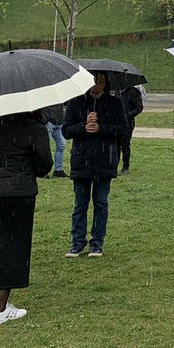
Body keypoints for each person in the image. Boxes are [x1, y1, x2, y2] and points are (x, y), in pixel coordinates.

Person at [0, 112, 52, 325]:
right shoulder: (36, 129)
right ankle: (0, 309)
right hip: (18, 192)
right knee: (12, 246)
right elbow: (45, 165)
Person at [63, 71, 128, 258]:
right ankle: (77, 242)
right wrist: (83, 126)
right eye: (94, 81)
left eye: (101, 82)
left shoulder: (115, 103)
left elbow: (123, 128)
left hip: (104, 159)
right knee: (80, 204)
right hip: (81, 159)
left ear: (106, 83)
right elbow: (66, 130)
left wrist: (102, 128)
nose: (97, 85)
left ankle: (97, 242)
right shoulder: (76, 103)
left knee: (101, 202)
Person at [118, 83, 144, 175]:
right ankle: (113, 165)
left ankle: (125, 166)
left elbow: (139, 107)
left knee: (125, 145)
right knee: (115, 145)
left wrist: (128, 115)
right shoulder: (115, 91)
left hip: (127, 123)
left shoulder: (133, 92)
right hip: (116, 122)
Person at [40, 104, 67, 178]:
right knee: (45, 147)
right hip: (50, 121)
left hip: (59, 122)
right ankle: (44, 171)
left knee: (61, 145)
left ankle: (58, 170)